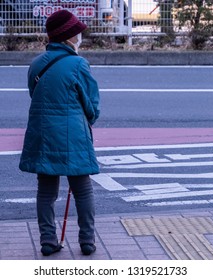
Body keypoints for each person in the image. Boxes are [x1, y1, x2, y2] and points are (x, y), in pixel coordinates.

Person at [19, 9, 100, 256]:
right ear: (68, 37)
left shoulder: (36, 64)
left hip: (42, 134)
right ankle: (87, 240)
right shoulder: (78, 64)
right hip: (72, 134)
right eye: (77, 32)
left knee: (46, 191)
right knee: (82, 189)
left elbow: (36, 95)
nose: (80, 36)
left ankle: (47, 240)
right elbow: (92, 105)